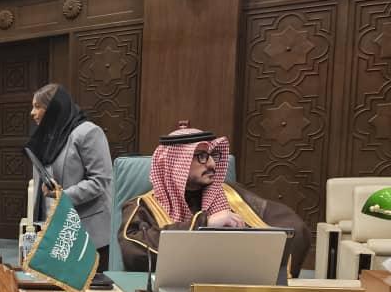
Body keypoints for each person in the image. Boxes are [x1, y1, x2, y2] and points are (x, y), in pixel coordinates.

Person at [119, 123, 311, 275]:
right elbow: (132, 249)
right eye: (202, 156)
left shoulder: (233, 195)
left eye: (212, 155)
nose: (212, 164)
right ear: (176, 162)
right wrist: (204, 224)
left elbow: (295, 229)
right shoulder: (143, 206)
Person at [27, 83, 114, 271]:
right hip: (58, 230)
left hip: (88, 232)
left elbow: (100, 181)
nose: (32, 113)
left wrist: (63, 195)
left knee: (90, 287)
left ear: (54, 108)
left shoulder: (88, 132)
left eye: (38, 106)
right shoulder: (47, 137)